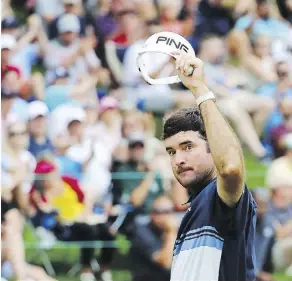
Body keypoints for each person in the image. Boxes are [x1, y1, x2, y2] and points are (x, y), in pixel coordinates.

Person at [163, 51, 257, 281]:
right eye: (172, 151)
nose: (178, 159)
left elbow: (231, 167)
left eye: (188, 147)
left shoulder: (220, 198)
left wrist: (200, 89)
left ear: (212, 148)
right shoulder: (193, 210)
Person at [130, 196, 177, 281]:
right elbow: (166, 262)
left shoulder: (180, 230)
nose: (163, 216)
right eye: (158, 212)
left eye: (167, 211)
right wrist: (171, 232)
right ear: (151, 214)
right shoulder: (142, 231)